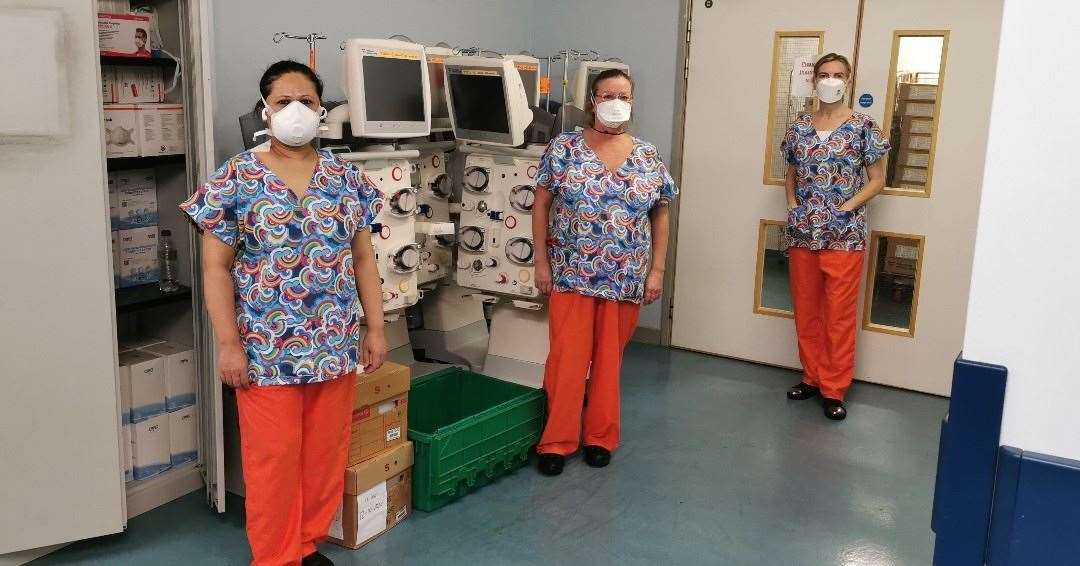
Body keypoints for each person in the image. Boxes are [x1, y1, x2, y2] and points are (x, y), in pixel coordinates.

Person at [179, 60, 387, 566]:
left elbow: (362, 259)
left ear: (322, 111)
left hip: (334, 342)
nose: (297, 110)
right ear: (264, 112)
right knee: (273, 460)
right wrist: (228, 343)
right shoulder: (236, 178)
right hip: (265, 349)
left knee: (323, 457)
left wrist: (375, 328)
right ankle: (275, 557)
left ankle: (306, 541)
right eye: (283, 102)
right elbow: (215, 270)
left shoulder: (345, 179)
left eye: (308, 102)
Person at [532, 69, 678, 476]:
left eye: (625, 95)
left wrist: (657, 271)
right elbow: (540, 206)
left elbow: (660, 215)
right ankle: (557, 440)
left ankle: (600, 436)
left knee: (608, 361)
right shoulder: (564, 148)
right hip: (571, 272)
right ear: (593, 101)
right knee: (566, 359)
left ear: (632, 101)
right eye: (608, 94)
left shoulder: (647, 155)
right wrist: (541, 262)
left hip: (625, 276)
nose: (617, 101)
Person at [781, 53, 890, 420]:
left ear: (848, 79)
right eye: (824, 74)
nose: (830, 80)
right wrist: (794, 205)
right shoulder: (799, 127)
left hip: (844, 236)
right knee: (807, 311)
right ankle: (811, 377)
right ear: (814, 81)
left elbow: (877, 180)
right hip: (803, 234)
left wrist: (845, 209)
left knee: (839, 315)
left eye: (837, 74)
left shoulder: (863, 127)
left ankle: (833, 387)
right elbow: (791, 174)